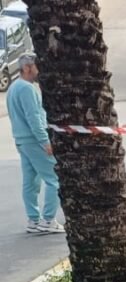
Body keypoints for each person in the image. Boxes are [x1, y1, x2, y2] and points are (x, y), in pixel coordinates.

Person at [6, 54, 62, 234]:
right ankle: (48, 220)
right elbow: (34, 117)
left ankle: (33, 219)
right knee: (54, 179)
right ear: (28, 68)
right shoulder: (27, 89)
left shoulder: (13, 87)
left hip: (22, 140)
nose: (39, 71)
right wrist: (45, 141)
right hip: (33, 140)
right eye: (37, 67)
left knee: (30, 181)